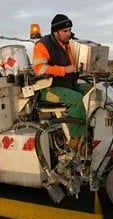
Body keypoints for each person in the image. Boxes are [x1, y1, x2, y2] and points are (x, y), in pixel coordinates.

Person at [33, 14, 88, 151]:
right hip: (50, 89)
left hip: (68, 85)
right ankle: (75, 140)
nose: (69, 33)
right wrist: (64, 70)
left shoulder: (71, 43)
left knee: (93, 91)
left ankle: (90, 128)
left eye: (69, 30)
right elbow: (39, 69)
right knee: (76, 99)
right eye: (65, 31)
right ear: (55, 32)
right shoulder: (43, 45)